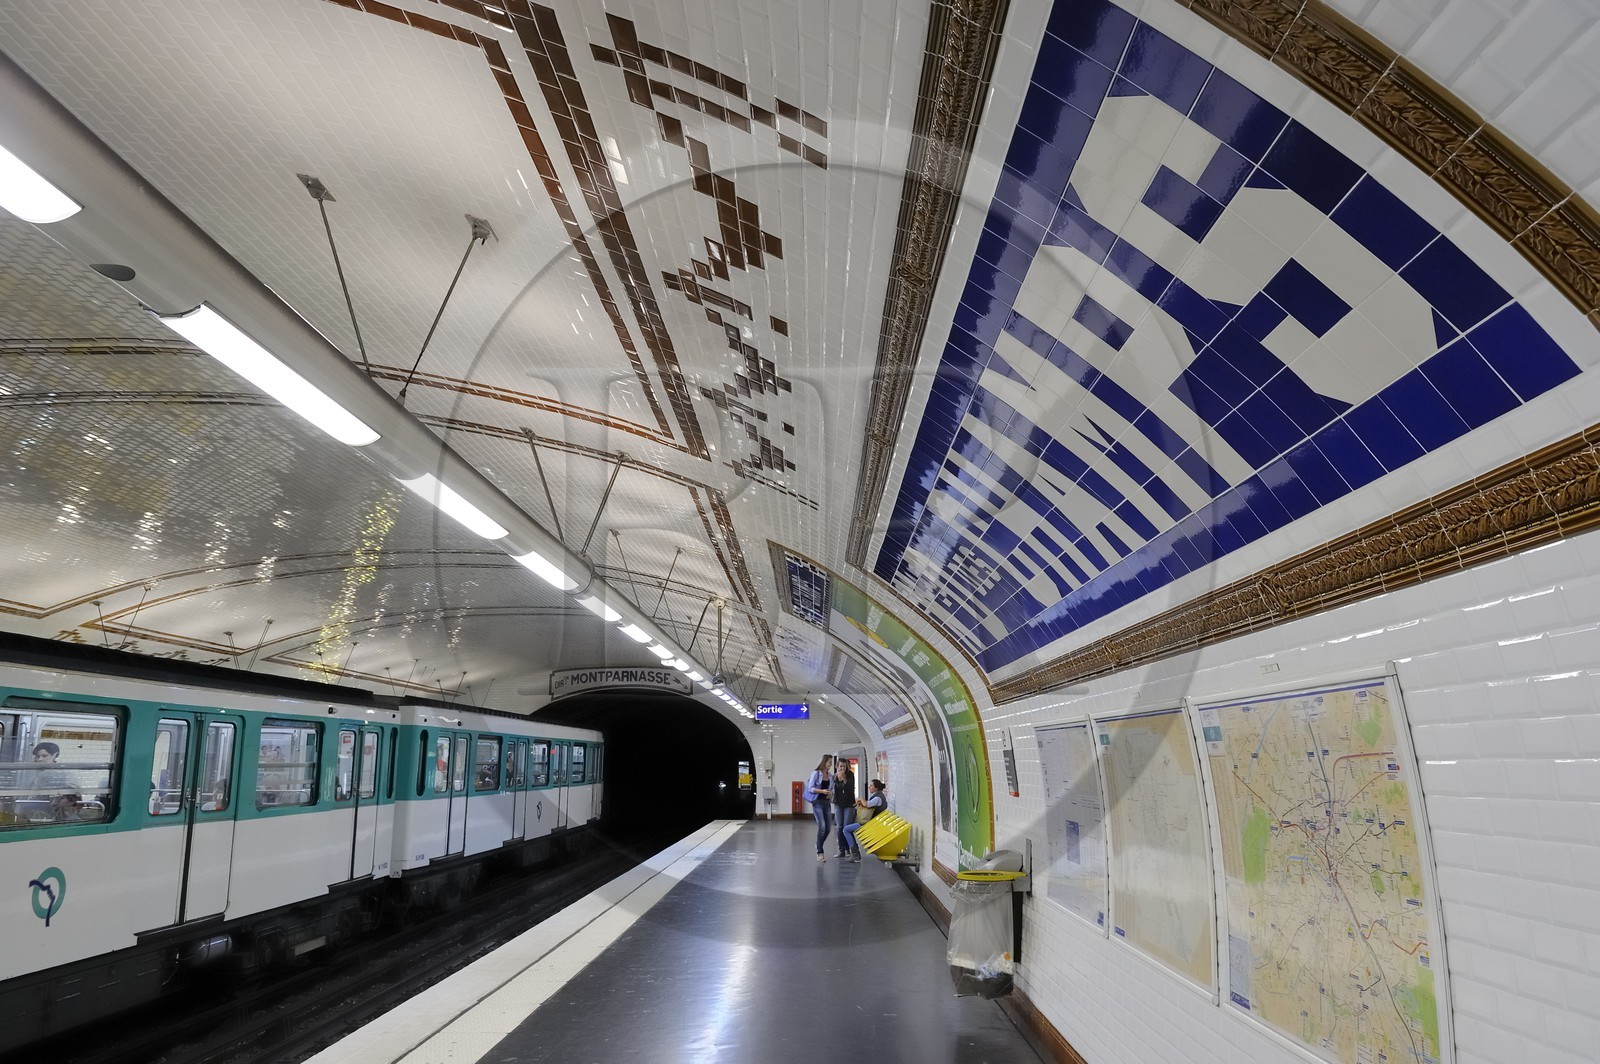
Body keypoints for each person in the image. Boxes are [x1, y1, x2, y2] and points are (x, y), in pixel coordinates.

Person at [843, 779, 887, 863]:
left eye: (871, 786)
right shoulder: (879, 796)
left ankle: (855, 854)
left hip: (870, 824)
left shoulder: (877, 798)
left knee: (846, 829)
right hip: (874, 823)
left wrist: (861, 799)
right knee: (848, 829)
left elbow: (867, 804)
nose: (869, 787)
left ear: (876, 788)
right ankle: (855, 854)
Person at [804, 755, 833, 861]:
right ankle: (820, 852)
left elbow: (831, 789)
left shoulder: (830, 775)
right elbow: (810, 788)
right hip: (817, 803)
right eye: (829, 762)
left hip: (826, 803)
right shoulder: (816, 774)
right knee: (822, 826)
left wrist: (830, 794)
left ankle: (818, 843)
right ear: (824, 762)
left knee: (828, 829)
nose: (831, 764)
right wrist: (821, 791)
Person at [831, 759, 857, 859]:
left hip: (849, 804)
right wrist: (837, 780)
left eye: (844, 767)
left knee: (846, 827)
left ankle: (849, 850)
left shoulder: (850, 775)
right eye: (840, 766)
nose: (842, 768)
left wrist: (844, 780)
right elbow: (834, 790)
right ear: (837, 767)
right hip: (838, 804)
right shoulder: (834, 777)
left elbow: (849, 789)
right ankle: (841, 850)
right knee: (839, 827)